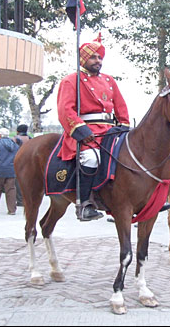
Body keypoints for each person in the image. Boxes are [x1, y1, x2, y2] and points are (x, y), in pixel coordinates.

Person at [56, 33, 130, 221]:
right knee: (91, 158)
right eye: (93, 57)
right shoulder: (71, 80)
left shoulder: (109, 80)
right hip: (86, 131)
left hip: (110, 131)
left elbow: (121, 106)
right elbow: (65, 109)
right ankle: (85, 203)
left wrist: (123, 127)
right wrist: (81, 131)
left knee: (128, 158)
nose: (98, 61)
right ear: (83, 59)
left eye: (99, 57)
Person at [12, 124, 32, 207]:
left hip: (19, 161)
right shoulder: (30, 139)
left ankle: (20, 200)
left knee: (18, 182)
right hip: (30, 162)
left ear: (17, 130)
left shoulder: (15, 139)